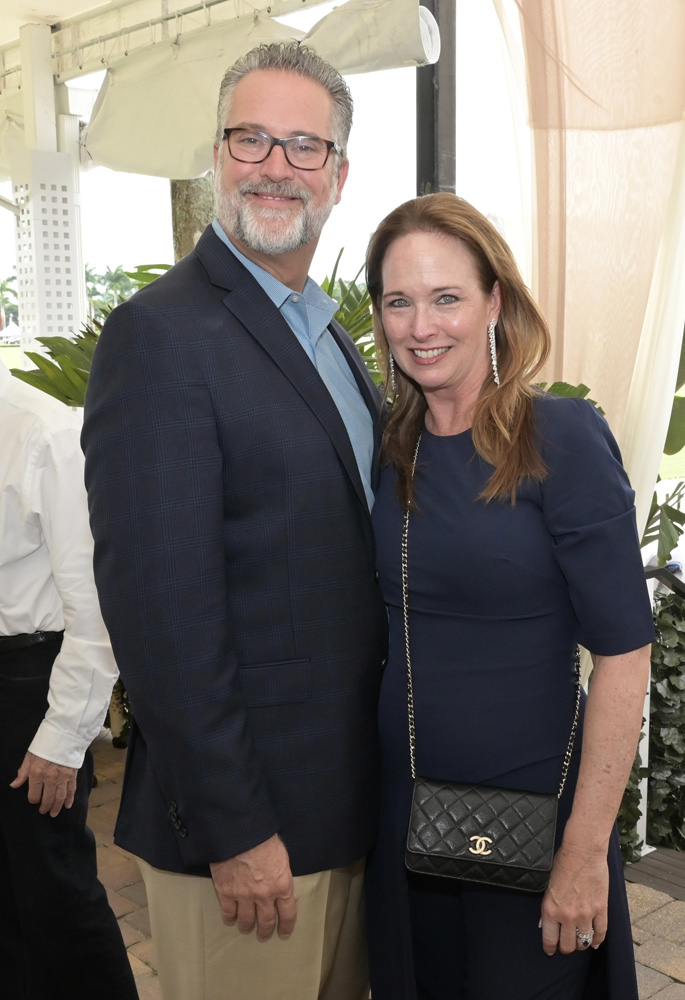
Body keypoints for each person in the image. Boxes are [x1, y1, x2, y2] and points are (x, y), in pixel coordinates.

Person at [82, 41, 387, 1000]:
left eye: (303, 146)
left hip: (346, 812)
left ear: (339, 174)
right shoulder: (160, 336)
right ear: (217, 156)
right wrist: (235, 827)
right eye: (250, 138)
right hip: (250, 839)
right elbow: (163, 618)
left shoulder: (330, 333)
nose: (274, 165)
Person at [364, 192, 654, 1000]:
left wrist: (584, 850)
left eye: (446, 297)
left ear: (494, 301)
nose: (422, 325)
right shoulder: (395, 446)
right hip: (408, 821)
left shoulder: (559, 436)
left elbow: (625, 655)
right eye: (399, 301)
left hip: (532, 831)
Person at [0, 358, 138, 1000]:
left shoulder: (44, 431)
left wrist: (62, 738)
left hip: (28, 688)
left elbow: (97, 609)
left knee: (55, 895)